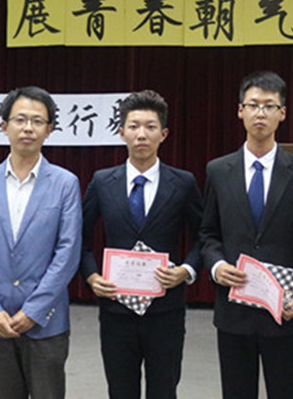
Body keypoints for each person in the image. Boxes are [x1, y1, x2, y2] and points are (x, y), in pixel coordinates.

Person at [199, 70, 293, 399]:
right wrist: (217, 266)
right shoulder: (218, 170)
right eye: (253, 105)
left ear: (282, 113)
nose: (260, 113)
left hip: (284, 310)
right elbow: (208, 234)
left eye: (269, 106)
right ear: (240, 111)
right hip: (234, 312)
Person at [79, 90, 203, 399]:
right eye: (134, 126)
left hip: (166, 310)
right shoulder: (102, 181)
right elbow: (79, 238)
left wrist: (186, 270)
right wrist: (91, 276)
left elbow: (205, 235)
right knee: (121, 390)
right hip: (116, 309)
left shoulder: (183, 183)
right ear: (121, 132)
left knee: (164, 390)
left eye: (150, 126)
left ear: (164, 134)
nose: (142, 134)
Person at [0, 86, 82, 399]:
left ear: (49, 130)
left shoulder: (65, 183)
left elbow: (67, 252)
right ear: (4, 126)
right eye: (20, 119)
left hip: (45, 323)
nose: (28, 128)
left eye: (37, 121)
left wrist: (34, 310)